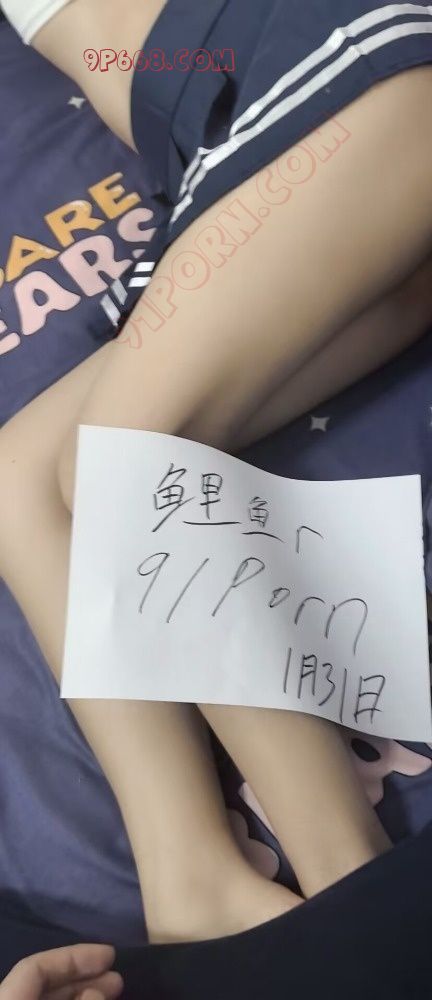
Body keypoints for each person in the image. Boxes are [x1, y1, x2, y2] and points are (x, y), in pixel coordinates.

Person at [1, 0, 432, 957]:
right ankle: (192, 877)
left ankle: (355, 892)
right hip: (242, 157)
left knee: (125, 455)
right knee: (19, 483)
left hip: (322, 70)